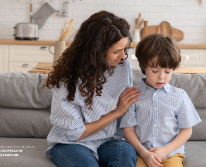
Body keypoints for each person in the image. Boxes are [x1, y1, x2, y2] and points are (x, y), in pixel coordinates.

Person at [43, 11, 140, 167]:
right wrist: (117, 112)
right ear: (96, 51)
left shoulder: (121, 65)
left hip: (109, 141)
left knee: (126, 153)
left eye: (124, 49)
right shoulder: (67, 79)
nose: (123, 56)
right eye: (116, 51)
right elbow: (75, 134)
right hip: (71, 144)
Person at [120, 34, 201, 167]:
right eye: (155, 71)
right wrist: (144, 153)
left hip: (170, 154)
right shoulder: (133, 95)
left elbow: (187, 130)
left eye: (168, 72)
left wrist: (165, 150)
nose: (161, 77)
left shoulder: (179, 96)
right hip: (142, 153)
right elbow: (128, 130)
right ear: (143, 66)